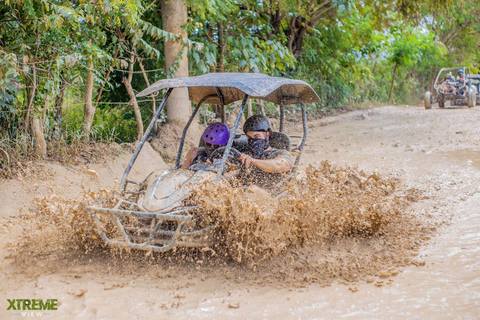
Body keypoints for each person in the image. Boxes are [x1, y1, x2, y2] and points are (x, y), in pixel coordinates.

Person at [231, 115, 294, 191]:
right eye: (249, 137)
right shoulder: (247, 155)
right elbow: (234, 173)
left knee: (251, 189)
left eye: (256, 136)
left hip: (268, 195)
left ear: (267, 134)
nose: (253, 140)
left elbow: (281, 164)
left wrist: (254, 161)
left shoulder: (280, 153)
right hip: (242, 192)